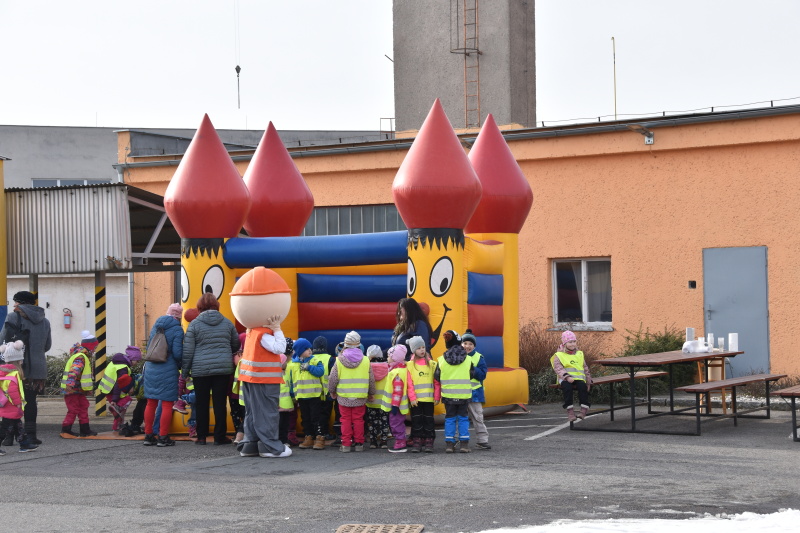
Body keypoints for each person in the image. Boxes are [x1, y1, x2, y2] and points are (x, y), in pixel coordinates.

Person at [182, 293, 239, 446]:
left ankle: (201, 437)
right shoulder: (227, 323)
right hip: (223, 368)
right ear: (217, 306)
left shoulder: (194, 325)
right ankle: (219, 437)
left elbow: (188, 350)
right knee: (220, 403)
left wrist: (185, 372)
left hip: (200, 369)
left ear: (199, 307)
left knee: (201, 403)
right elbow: (235, 345)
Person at [0, 291, 52, 446]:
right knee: (30, 401)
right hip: (36, 368)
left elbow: (3, 339)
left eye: (15, 301)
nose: (14, 304)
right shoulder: (45, 320)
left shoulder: (13, 316)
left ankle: (8, 437)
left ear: (20, 302)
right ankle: (30, 435)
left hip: (15, 367)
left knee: (11, 400)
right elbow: (47, 346)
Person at [143, 304, 184, 447]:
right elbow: (178, 353)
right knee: (167, 404)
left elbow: (149, 347)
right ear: (179, 316)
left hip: (151, 367)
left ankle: (148, 436)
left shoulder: (155, 326)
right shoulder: (177, 329)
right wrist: (181, 365)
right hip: (168, 368)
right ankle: (163, 436)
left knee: (151, 402)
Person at [327, 331, 375, 452]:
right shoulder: (365, 360)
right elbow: (371, 379)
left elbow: (333, 378)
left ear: (345, 344)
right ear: (359, 344)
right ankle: (359, 443)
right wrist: (371, 393)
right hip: (360, 395)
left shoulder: (339, 360)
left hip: (344, 396)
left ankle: (346, 444)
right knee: (359, 420)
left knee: (345, 420)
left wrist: (331, 391)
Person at [435, 337, 474, 453]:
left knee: (450, 419)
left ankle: (449, 444)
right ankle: (464, 444)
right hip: (464, 395)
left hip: (448, 395)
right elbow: (472, 374)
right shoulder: (468, 359)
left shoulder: (441, 359)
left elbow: (437, 376)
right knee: (463, 419)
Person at [289, 337, 326, 450]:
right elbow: (291, 381)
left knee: (316, 417)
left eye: (310, 348)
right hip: (301, 396)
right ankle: (308, 437)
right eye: (307, 349)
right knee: (305, 418)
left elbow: (320, 372)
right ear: (300, 351)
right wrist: (292, 394)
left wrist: (309, 367)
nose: (310, 351)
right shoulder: (292, 365)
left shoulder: (315, 360)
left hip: (314, 395)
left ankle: (319, 437)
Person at [405, 336, 440, 453]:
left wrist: (436, 396)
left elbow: (436, 382)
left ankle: (429, 441)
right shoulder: (409, 365)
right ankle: (417, 441)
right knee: (416, 421)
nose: (422, 350)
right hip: (416, 401)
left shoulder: (432, 364)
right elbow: (409, 384)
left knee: (429, 421)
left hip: (429, 400)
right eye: (418, 348)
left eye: (423, 347)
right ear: (413, 350)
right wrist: (412, 398)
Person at [551, 330, 592, 422]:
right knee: (567, 388)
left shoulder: (579, 354)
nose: (572, 344)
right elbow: (558, 368)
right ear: (565, 343)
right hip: (565, 378)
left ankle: (584, 409)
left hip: (578, 378)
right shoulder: (559, 355)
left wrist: (588, 381)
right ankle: (570, 411)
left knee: (582, 387)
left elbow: (585, 368)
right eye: (570, 342)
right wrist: (567, 377)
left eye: (574, 341)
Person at [460, 330, 491, 450]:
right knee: (460, 418)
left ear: (474, 346)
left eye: (470, 344)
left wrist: (473, 369)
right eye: (465, 343)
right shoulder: (457, 357)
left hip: (475, 393)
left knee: (478, 417)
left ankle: (482, 440)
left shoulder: (479, 358)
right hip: (460, 392)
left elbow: (482, 375)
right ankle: (458, 439)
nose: (467, 346)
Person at [60, 342, 98, 437]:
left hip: (78, 389)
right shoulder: (81, 356)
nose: (96, 349)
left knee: (83, 406)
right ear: (90, 347)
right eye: (95, 347)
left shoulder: (82, 356)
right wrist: (70, 383)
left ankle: (85, 429)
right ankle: (66, 429)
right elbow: (74, 370)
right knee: (74, 409)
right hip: (73, 388)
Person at [99, 346, 141, 434]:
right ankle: (116, 408)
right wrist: (115, 399)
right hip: (114, 391)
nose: (137, 363)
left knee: (120, 412)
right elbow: (119, 384)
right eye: (137, 360)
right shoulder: (123, 368)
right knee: (127, 401)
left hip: (107, 389)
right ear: (132, 358)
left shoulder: (115, 362)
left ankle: (117, 426)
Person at [0, 359, 38, 453]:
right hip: (12, 405)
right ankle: (24, 444)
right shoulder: (14, 374)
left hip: (6, 404)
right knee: (5, 428)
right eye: (20, 361)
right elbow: (13, 391)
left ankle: (24, 443)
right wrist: (18, 403)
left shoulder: (3, 373)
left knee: (18, 426)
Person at [381, 344, 410, 453]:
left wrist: (394, 405)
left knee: (395, 423)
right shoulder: (401, 369)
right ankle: (401, 440)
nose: (387, 358)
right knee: (398, 422)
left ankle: (400, 442)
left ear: (394, 358)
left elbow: (398, 390)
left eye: (389, 356)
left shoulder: (396, 372)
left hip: (396, 405)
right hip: (398, 405)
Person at [365, 345, 391, 449]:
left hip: (372, 399)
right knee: (384, 421)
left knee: (372, 422)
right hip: (384, 400)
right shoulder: (387, 367)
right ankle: (384, 441)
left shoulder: (367, 367)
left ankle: (373, 442)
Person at [312, 336, 337, 443]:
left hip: (313, 392)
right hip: (326, 392)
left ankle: (314, 433)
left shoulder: (310, 358)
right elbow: (333, 375)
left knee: (314, 414)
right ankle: (324, 433)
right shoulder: (330, 359)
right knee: (325, 414)